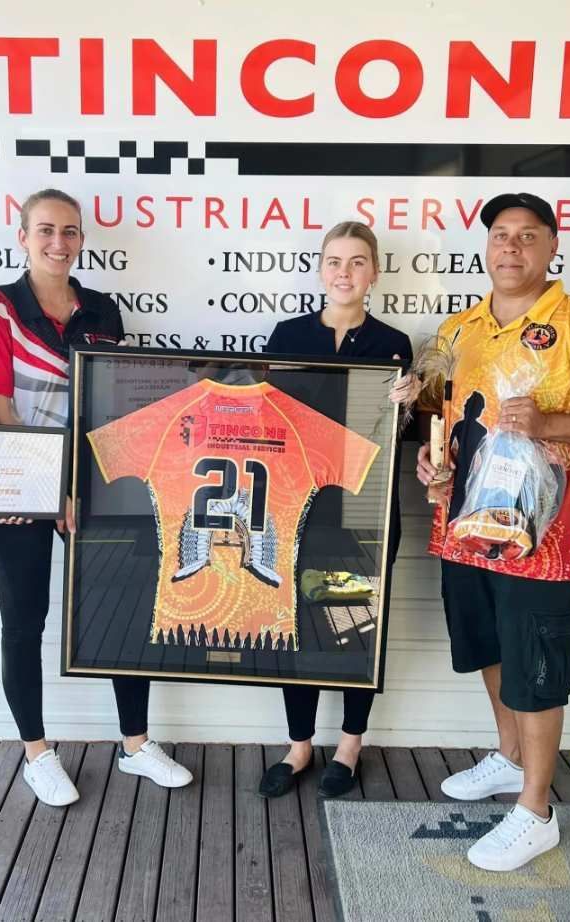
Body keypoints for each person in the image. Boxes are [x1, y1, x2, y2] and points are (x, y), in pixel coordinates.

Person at [416, 192, 570, 871]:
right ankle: (509, 754)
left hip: (540, 543)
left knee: (536, 668)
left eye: (527, 235)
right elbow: (441, 414)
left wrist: (547, 424)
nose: (510, 247)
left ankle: (536, 809)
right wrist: (432, 460)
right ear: (486, 246)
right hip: (461, 530)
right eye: (500, 235)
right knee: (488, 647)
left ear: (552, 247)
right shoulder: (459, 328)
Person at [0, 188, 193, 805]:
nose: (57, 242)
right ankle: (36, 753)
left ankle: (135, 744)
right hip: (16, 489)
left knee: (122, 610)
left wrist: (78, 488)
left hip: (90, 487)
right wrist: (46, 488)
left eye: (69, 231)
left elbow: (110, 405)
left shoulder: (103, 309)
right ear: (22, 236)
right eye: (44, 230)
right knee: (25, 620)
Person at [257, 220, 416, 799]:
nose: (343, 272)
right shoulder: (287, 333)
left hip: (363, 508)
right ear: (320, 269)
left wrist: (406, 407)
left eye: (356, 262)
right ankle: (299, 745)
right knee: (294, 621)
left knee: (354, 622)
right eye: (333, 261)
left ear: (373, 272)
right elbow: (267, 424)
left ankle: (350, 744)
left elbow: (397, 436)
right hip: (297, 506)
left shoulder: (392, 344)